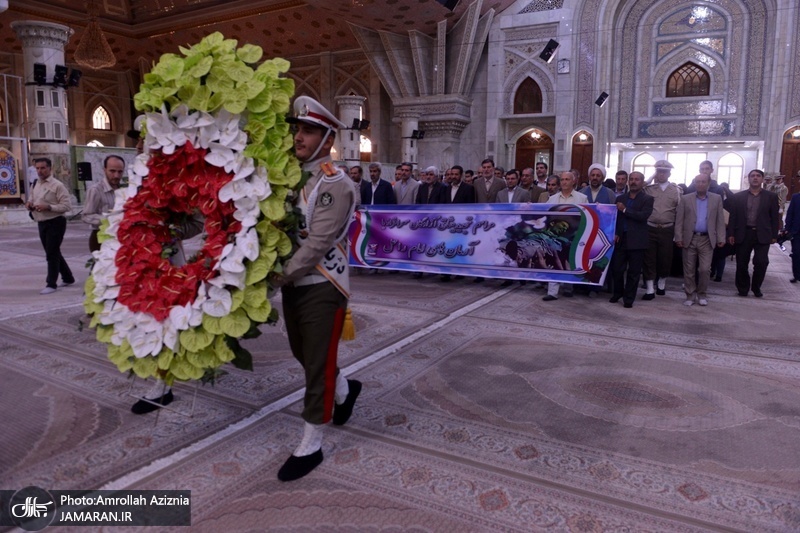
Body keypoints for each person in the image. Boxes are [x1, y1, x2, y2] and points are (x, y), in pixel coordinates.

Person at [273, 95, 360, 481]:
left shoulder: (333, 183)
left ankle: (311, 441)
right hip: (295, 281)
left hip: (323, 284)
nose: (299, 137)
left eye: (308, 130)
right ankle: (344, 388)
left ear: (327, 138)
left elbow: (316, 243)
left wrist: (274, 276)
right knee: (303, 352)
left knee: (315, 364)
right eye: (297, 129)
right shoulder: (292, 177)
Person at [674, 174, 726, 306]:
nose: (700, 184)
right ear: (694, 183)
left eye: (703, 182)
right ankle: (690, 295)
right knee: (689, 269)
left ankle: (702, 294)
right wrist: (678, 237)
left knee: (704, 269)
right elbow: (679, 220)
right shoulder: (686, 199)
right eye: (697, 182)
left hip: (707, 239)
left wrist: (721, 237)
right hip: (689, 238)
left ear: (708, 183)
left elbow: (720, 219)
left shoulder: (716, 198)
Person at [727, 169, 779, 297]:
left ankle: (756, 287)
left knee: (761, 262)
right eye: (752, 176)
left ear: (762, 179)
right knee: (742, 263)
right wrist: (731, 234)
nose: (755, 178)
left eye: (758, 176)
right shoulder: (738, 197)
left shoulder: (770, 197)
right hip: (744, 233)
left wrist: (774, 235)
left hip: (762, 234)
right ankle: (743, 288)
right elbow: (733, 217)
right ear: (748, 179)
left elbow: (774, 217)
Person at [26, 158, 75, 294]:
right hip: (41, 222)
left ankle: (51, 284)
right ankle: (68, 277)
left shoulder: (57, 185)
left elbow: (67, 206)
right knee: (52, 251)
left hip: (56, 222)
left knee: (51, 253)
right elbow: (31, 198)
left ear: (49, 168)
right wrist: (29, 205)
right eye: (37, 168)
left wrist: (49, 207)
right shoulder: (35, 183)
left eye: (43, 168)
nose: (40, 171)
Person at [609, 171, 653, 308]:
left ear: (642, 182)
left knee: (633, 272)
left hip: (637, 240)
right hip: (621, 239)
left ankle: (629, 298)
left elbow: (643, 216)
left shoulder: (647, 199)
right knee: (617, 269)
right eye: (632, 179)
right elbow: (616, 218)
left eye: (637, 179)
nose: (633, 182)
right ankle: (618, 293)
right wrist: (616, 233)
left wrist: (625, 210)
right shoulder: (621, 198)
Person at [542, 171, 588, 301]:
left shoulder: (582, 198)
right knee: (554, 261)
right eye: (562, 179)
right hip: (556, 235)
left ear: (574, 181)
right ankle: (552, 292)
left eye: (567, 179)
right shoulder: (552, 199)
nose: (564, 182)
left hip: (574, 234)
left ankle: (568, 287)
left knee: (570, 261)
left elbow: (587, 217)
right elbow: (545, 215)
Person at [642, 159, 681, 300]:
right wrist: (651, 178)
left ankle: (662, 283)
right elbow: (637, 187)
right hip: (650, 228)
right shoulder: (649, 189)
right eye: (659, 171)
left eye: (664, 172)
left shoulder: (676, 190)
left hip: (667, 229)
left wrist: (678, 234)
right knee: (649, 258)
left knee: (665, 258)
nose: (661, 174)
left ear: (669, 173)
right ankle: (650, 288)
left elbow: (679, 212)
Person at [82, 155, 124, 252]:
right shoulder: (95, 190)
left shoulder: (123, 190)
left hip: (119, 238)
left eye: (120, 172)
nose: (116, 175)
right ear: (104, 170)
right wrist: (108, 220)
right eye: (112, 171)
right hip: (100, 238)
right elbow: (86, 215)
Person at [784, 191, 800, 283]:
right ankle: (797, 275)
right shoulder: (795, 197)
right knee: (796, 253)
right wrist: (787, 228)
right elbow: (790, 213)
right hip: (796, 231)